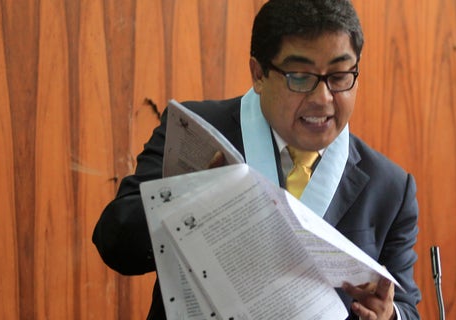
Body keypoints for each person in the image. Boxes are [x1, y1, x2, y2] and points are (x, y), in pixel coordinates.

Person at [92, 0, 421, 319]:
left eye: (339, 77)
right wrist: (192, 201)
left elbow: (407, 307)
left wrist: (389, 315)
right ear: (259, 74)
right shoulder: (195, 129)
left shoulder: (389, 186)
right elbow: (114, 241)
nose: (323, 99)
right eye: (300, 76)